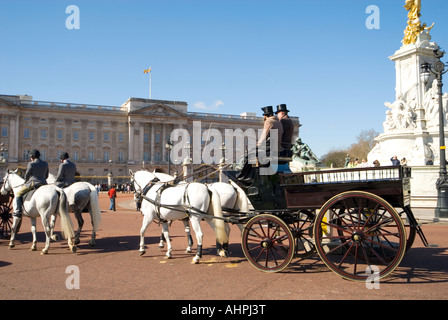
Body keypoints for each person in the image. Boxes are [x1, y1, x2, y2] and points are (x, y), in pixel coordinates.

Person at [13, 149, 49, 218]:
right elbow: (46, 176)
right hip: (44, 183)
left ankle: (18, 211)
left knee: (18, 194)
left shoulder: (31, 164)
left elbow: (27, 175)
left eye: (30, 156)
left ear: (32, 156)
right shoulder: (45, 164)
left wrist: (25, 182)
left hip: (33, 183)